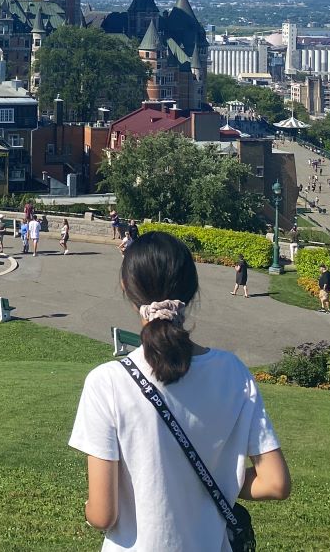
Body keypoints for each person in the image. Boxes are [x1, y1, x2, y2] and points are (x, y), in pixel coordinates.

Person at [69, 231, 291, 549]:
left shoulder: (107, 382)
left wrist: (89, 511)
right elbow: (275, 482)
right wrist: (224, 474)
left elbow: (103, 515)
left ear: (125, 288)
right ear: (192, 290)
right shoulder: (233, 372)